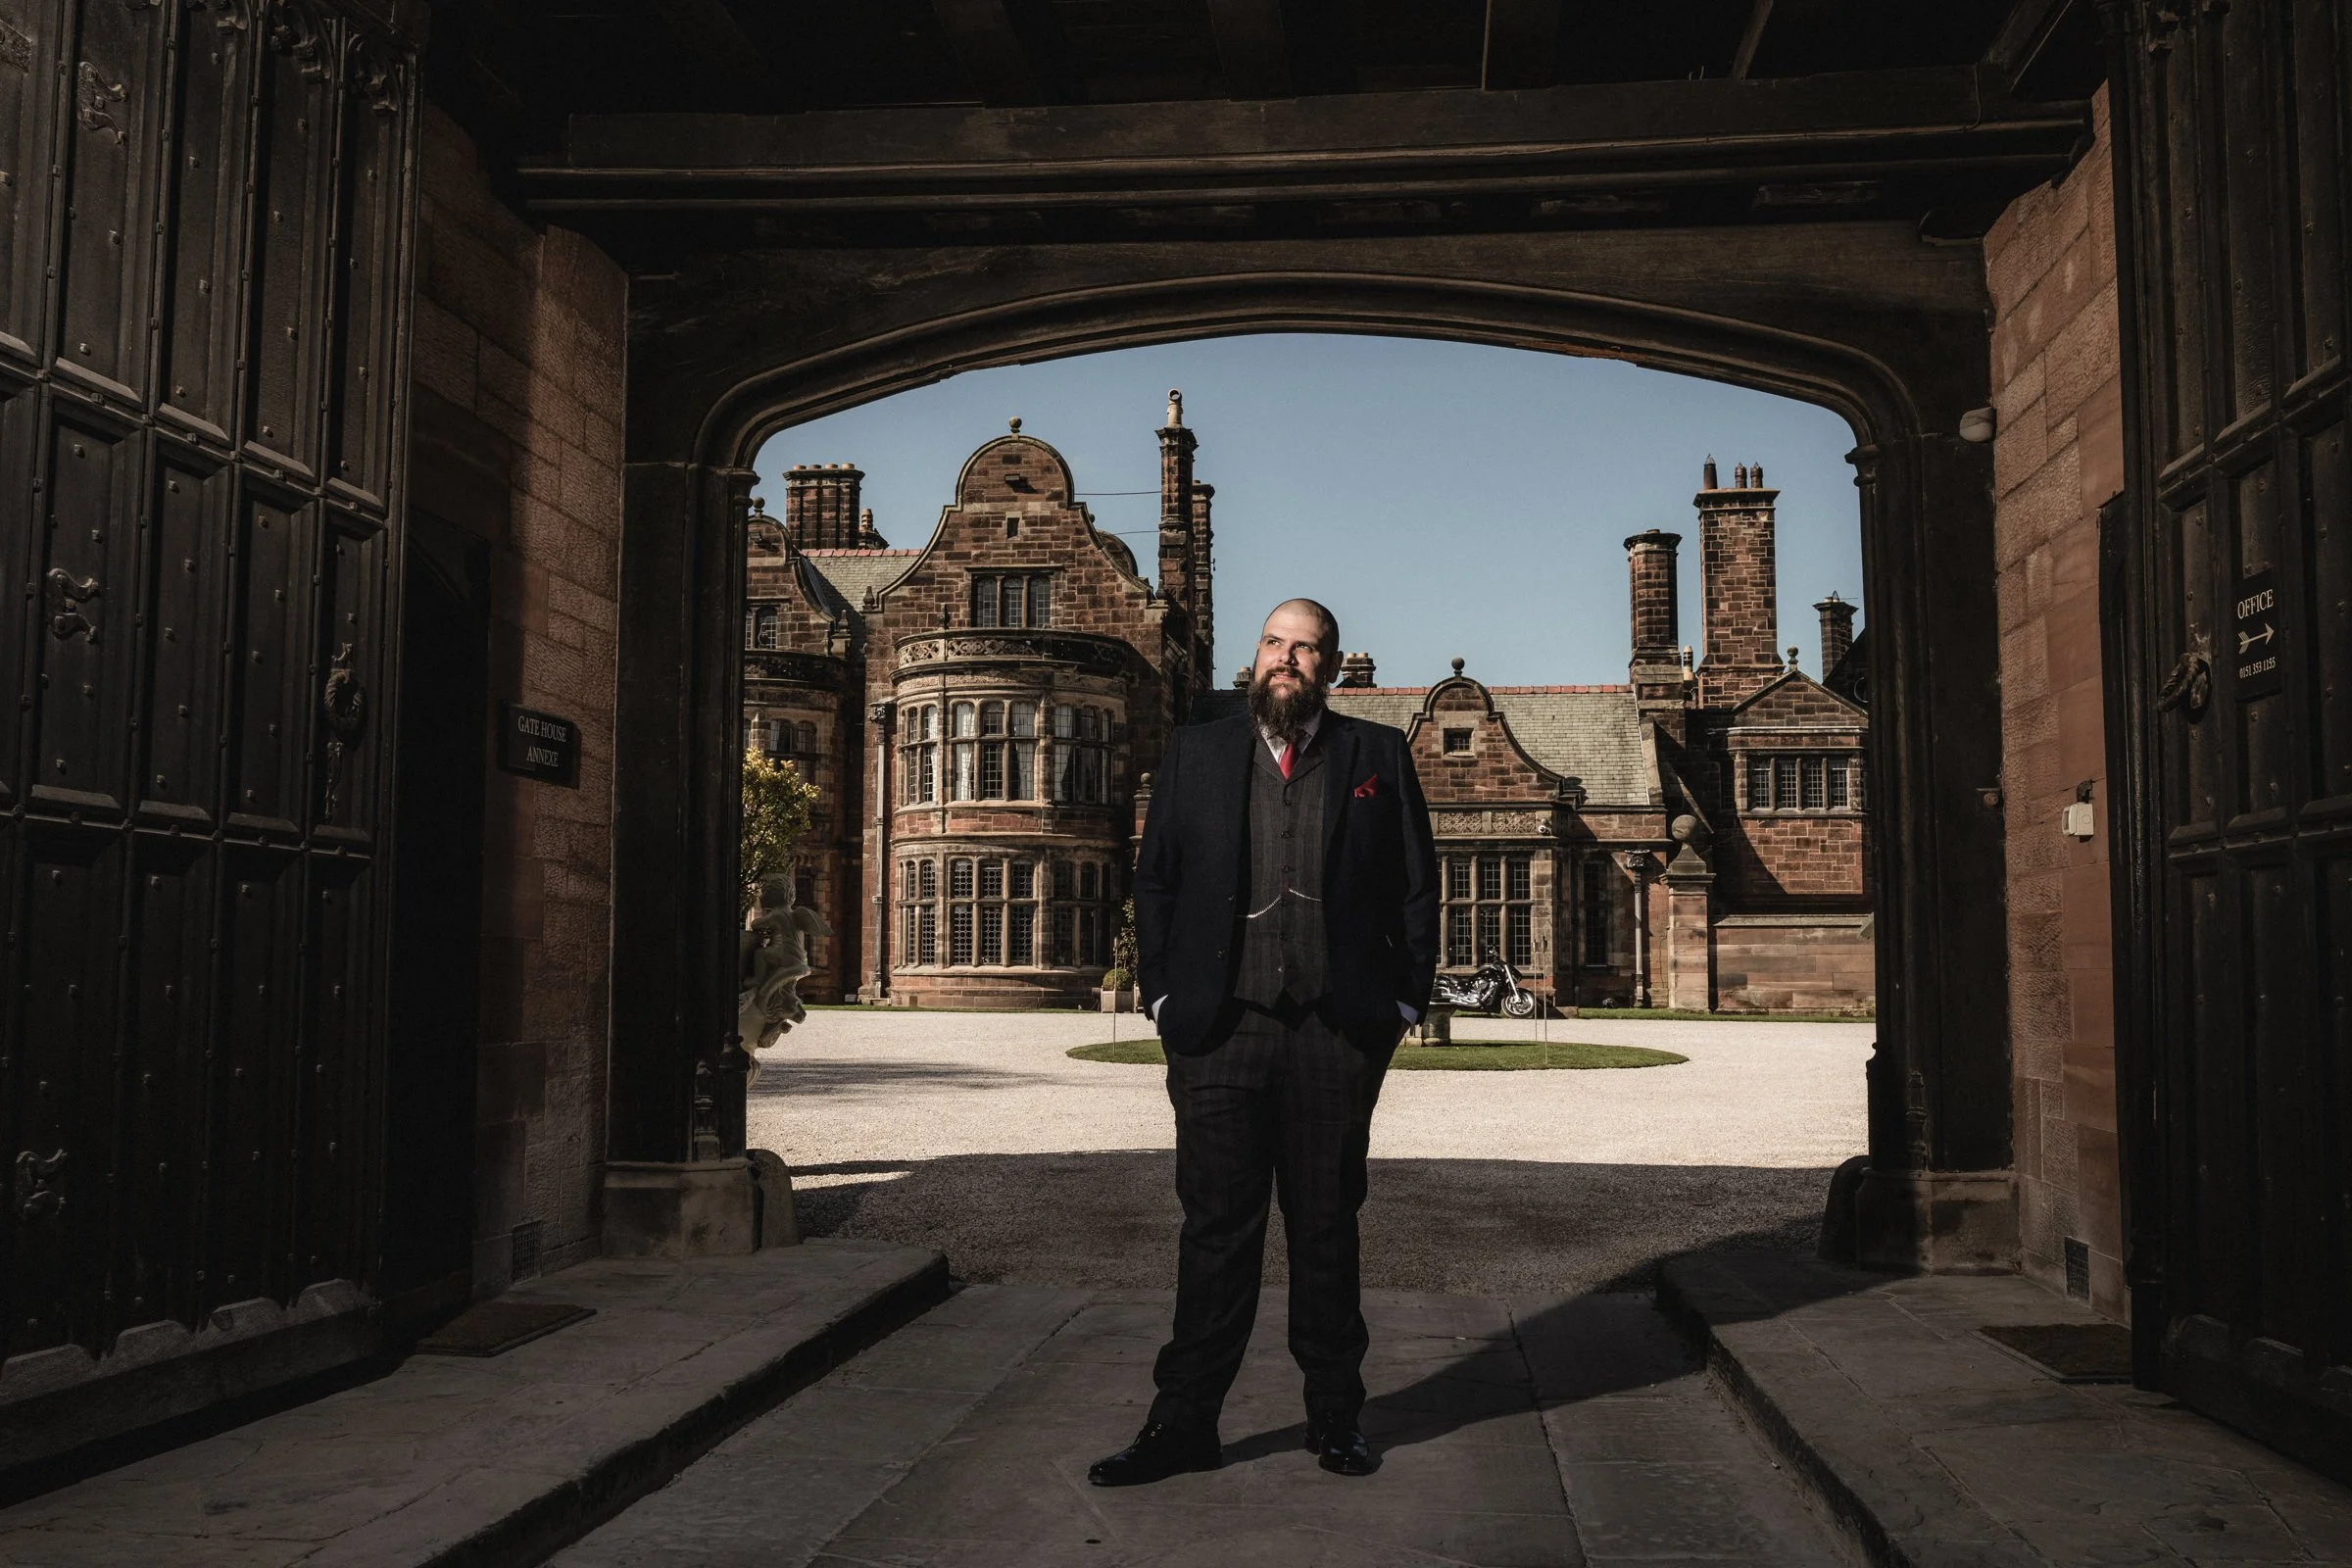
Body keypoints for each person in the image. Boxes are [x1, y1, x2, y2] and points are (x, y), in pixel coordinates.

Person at [1089, 598, 1438, 1486]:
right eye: (1276, 644)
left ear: (1332, 663)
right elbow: (1155, 881)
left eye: (1308, 649)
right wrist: (1166, 998)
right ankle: (1183, 1427)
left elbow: (1415, 888)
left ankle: (1335, 1421)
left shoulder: (1376, 755)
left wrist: (1400, 1006)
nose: (1289, 660)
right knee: (1215, 1230)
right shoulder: (1197, 751)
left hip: (1335, 1031)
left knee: (1326, 1229)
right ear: (1257, 656)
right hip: (1219, 1028)